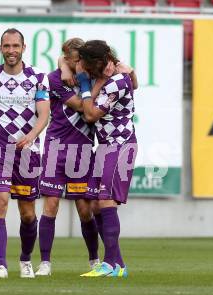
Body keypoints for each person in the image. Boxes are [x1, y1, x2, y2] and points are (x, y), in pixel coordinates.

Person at [0, 28, 50, 278]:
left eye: (15, 46)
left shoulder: (38, 78)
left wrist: (31, 135)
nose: (11, 50)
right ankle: (0, 265)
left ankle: (26, 259)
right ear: (0, 49)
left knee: (28, 214)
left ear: (23, 48)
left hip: (28, 153)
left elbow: (44, 113)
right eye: (6, 46)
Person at [36, 38, 104, 276]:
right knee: (51, 205)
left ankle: (94, 259)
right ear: (65, 58)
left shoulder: (92, 76)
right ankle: (45, 262)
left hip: (83, 151)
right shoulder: (55, 78)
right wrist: (66, 69)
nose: (79, 65)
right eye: (74, 61)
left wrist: (84, 77)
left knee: (85, 210)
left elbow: (93, 113)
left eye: (81, 61)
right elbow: (80, 107)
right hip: (56, 149)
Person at [76, 40, 138, 277]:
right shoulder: (110, 77)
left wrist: (85, 84)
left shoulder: (117, 82)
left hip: (120, 145)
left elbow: (90, 114)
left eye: (86, 64)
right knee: (94, 204)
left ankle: (111, 265)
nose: (83, 68)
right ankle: (118, 264)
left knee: (105, 200)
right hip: (105, 146)